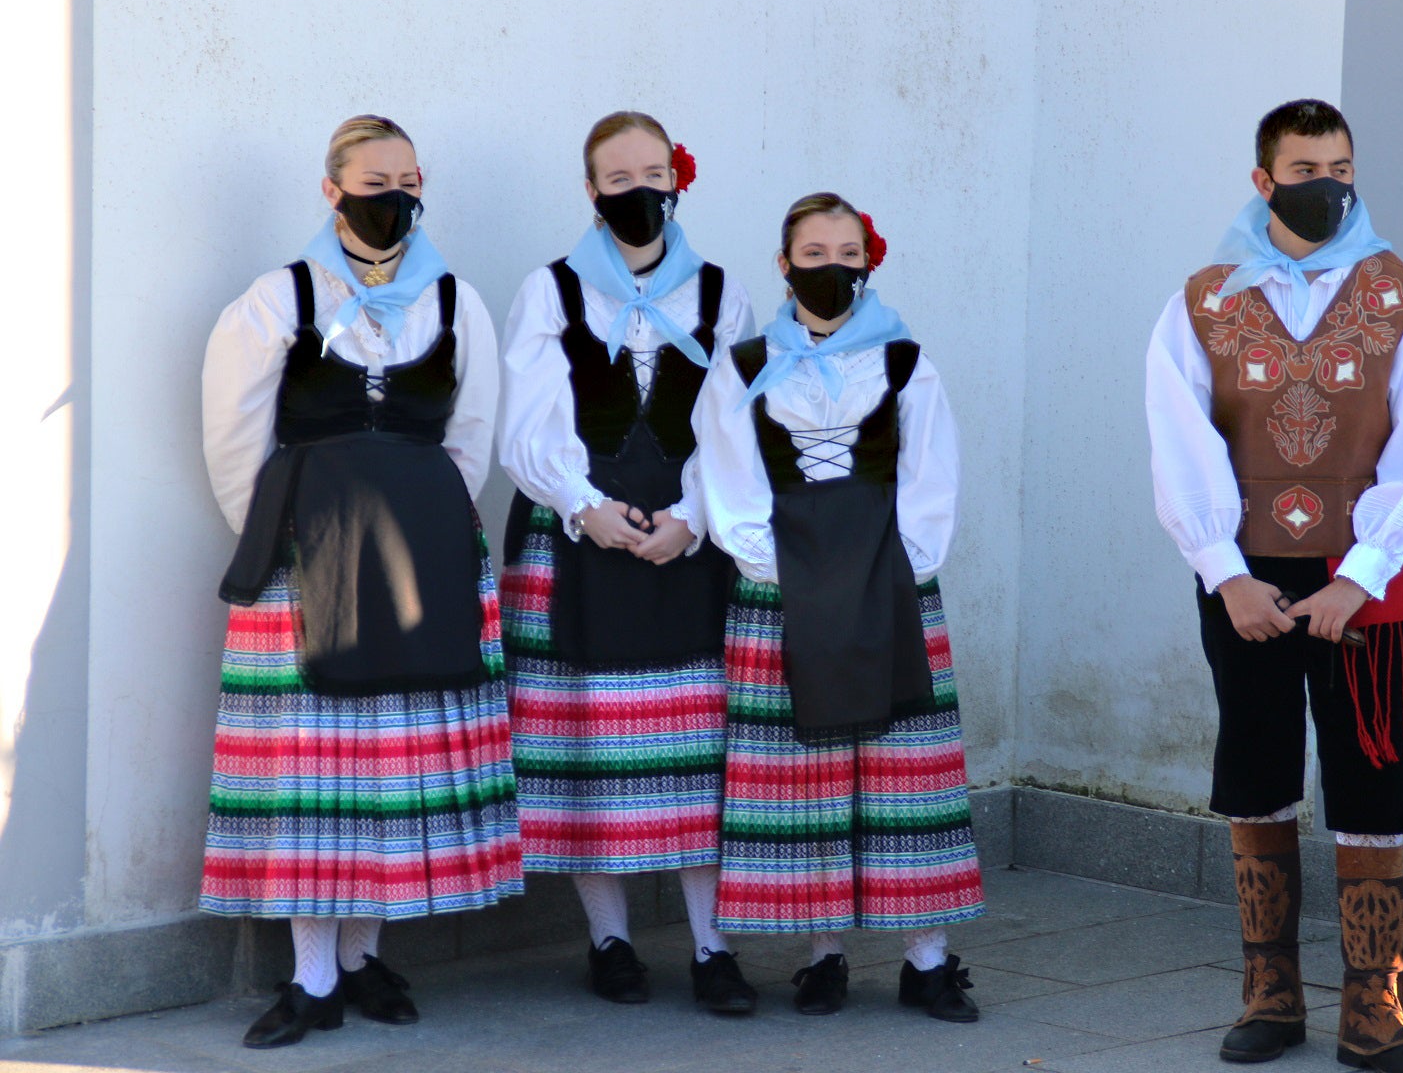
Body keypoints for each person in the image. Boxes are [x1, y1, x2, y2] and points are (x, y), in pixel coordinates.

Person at [201, 115, 521, 1049]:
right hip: (309, 557)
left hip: (422, 553)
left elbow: (471, 437)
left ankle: (360, 957)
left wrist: (424, 527)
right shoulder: (280, 297)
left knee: (393, 762)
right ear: (332, 192)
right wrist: (284, 537)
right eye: (375, 184)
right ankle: (312, 978)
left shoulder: (455, 301)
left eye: (407, 182)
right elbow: (235, 437)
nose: (395, 199)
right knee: (315, 768)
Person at [1146, 99, 1403, 1072]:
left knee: (1370, 776)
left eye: (1341, 167)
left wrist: (1360, 577)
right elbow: (1181, 444)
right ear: (1264, 179)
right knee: (1257, 765)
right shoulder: (1201, 303)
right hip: (1247, 578)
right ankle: (1270, 997)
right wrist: (1225, 575)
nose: (1328, 185)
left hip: (1360, 575)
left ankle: (1375, 1010)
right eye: (1306, 169)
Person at [694, 193, 985, 1021]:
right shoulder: (743, 365)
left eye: (847, 253)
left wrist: (892, 571)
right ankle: (822, 956)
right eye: (814, 254)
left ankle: (927, 960)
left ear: (868, 262)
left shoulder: (904, 361)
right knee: (805, 779)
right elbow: (728, 478)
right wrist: (784, 571)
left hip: (887, 580)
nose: (832, 268)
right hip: (781, 587)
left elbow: (931, 480)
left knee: (903, 775)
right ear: (784, 265)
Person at [497, 111, 758, 1013]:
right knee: (587, 750)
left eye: (653, 174)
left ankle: (713, 948)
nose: (638, 190)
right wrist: (584, 506)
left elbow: (735, 428)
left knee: (697, 755)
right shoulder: (550, 290)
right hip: (578, 535)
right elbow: (526, 421)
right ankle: (609, 941)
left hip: (688, 542)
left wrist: (694, 517)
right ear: (591, 191)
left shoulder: (721, 294)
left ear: (677, 180)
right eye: (618, 178)